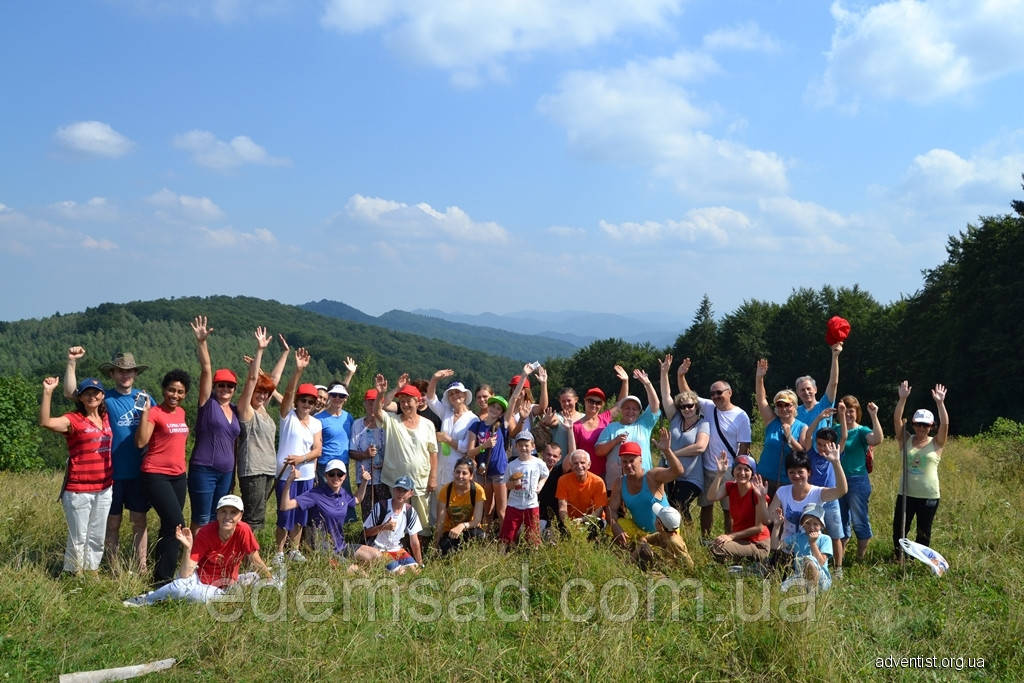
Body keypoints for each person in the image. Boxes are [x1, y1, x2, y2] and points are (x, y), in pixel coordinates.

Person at [64, 347, 152, 572]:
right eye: (120, 371)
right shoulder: (103, 398)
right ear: (112, 374)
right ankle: (113, 567)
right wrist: (72, 362)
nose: (125, 375)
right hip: (110, 473)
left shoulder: (146, 398)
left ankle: (140, 566)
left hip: (140, 472)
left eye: (130, 371)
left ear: (135, 374)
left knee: (139, 521)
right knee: (112, 523)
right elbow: (70, 392)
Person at [122, 494, 274, 606]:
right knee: (182, 587)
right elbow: (184, 574)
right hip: (201, 582)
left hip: (227, 585)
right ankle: (146, 599)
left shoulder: (244, 530)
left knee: (254, 578)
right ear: (217, 514)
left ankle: (173, 595)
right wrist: (188, 548)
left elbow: (255, 559)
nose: (228, 517)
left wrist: (271, 580)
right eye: (223, 511)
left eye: (233, 512)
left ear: (240, 516)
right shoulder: (206, 532)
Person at [40, 376, 113, 574]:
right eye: (87, 393)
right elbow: (46, 422)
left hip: (105, 487)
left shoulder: (106, 418)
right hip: (79, 489)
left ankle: (91, 571)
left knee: (97, 535)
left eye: (96, 392)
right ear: (79, 397)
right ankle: (73, 573)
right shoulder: (73, 420)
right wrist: (48, 392)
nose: (92, 396)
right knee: (78, 536)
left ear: (102, 395)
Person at [676, 359, 752, 538]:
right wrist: (681, 375)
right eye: (712, 394)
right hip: (707, 468)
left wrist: (737, 470)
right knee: (706, 506)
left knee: (729, 510)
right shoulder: (709, 407)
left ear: (729, 392)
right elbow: (688, 395)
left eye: (719, 393)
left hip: (729, 470)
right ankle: (705, 540)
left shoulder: (741, 416)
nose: (715, 396)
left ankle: (728, 542)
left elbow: (745, 446)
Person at [135, 368, 191, 585]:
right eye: (171, 390)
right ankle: (163, 579)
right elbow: (141, 442)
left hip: (179, 476)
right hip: (156, 474)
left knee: (170, 526)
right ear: (164, 390)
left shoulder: (182, 413)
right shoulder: (155, 412)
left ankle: (162, 575)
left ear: (185, 394)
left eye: (180, 391)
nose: (175, 395)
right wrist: (145, 413)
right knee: (177, 522)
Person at [464, 364, 536, 528]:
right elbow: (469, 452)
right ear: (488, 406)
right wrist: (484, 445)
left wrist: (523, 376)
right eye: (493, 406)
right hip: (484, 473)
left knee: (502, 511)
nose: (495, 409)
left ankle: (505, 543)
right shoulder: (476, 425)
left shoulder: (502, 424)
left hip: (500, 472)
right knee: (487, 511)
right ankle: (487, 541)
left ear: (502, 412)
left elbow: (513, 399)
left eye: (499, 408)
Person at [187, 315, 241, 531]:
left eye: (230, 386)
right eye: (221, 385)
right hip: (204, 470)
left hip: (226, 473)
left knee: (218, 519)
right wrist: (202, 342)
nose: (225, 389)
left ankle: (210, 562)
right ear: (214, 387)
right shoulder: (207, 404)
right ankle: (192, 561)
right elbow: (206, 369)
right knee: (201, 518)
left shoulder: (236, 410)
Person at [372, 373, 438, 540]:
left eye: (409, 400)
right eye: (402, 401)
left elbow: (433, 452)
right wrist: (381, 393)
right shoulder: (392, 421)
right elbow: (377, 411)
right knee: (396, 516)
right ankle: (398, 547)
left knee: (422, 519)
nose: (405, 404)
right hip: (396, 480)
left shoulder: (428, 424)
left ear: (418, 402)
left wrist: (433, 478)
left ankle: (420, 551)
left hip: (420, 480)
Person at [235, 329, 290, 530]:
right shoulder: (246, 410)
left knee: (257, 515)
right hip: (253, 470)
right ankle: (249, 558)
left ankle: (246, 554)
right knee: (254, 518)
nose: (262, 396)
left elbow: (273, 382)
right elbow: (251, 382)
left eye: (265, 394)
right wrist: (260, 350)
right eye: (259, 392)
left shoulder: (263, 410)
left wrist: (285, 353)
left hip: (267, 470)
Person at [274, 349, 323, 563]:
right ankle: (278, 552)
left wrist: (301, 459)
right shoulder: (287, 416)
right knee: (285, 514)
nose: (306, 404)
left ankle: (294, 550)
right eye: (303, 400)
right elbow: (287, 394)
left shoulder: (316, 423)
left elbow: (318, 449)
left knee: (300, 515)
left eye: (311, 402)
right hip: (286, 475)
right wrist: (297, 372)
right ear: (297, 401)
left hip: (306, 475)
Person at [892, 381, 948, 560]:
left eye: (926, 425)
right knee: (899, 529)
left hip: (929, 496)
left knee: (924, 532)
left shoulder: (936, 443)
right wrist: (902, 399)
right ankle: (900, 557)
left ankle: (919, 560)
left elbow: (945, 424)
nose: (922, 428)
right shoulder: (906, 439)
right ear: (913, 425)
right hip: (906, 494)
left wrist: (940, 403)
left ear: (932, 426)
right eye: (918, 424)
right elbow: (896, 420)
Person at [279, 459, 370, 562]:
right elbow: (285, 506)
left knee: (377, 555)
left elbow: (357, 500)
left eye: (339, 474)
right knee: (357, 571)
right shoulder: (315, 494)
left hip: (341, 546)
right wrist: (289, 482)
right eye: (332, 474)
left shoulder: (343, 493)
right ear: (326, 475)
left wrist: (364, 482)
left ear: (344, 477)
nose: (336, 477)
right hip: (322, 550)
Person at [608, 430, 684, 544]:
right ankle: (638, 547)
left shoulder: (652, 476)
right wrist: (615, 527)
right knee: (612, 527)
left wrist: (667, 451)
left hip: (666, 530)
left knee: (669, 549)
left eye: (632, 460)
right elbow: (611, 510)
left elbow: (678, 471)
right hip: (640, 530)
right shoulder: (619, 482)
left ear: (640, 460)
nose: (628, 465)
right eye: (624, 461)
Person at [658, 354, 708, 524]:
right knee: (668, 507)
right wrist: (664, 372)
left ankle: (687, 535)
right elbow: (666, 395)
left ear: (696, 406)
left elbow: (700, 447)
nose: (686, 409)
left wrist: (671, 453)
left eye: (690, 406)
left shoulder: (703, 424)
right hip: (670, 474)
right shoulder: (676, 419)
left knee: (678, 504)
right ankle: (677, 535)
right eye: (683, 406)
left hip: (691, 478)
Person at [766, 444, 848, 542]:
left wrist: (836, 463)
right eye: (792, 472)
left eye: (800, 472)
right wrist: (762, 498)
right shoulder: (782, 491)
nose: (796, 476)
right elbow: (768, 519)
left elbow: (842, 490)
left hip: (811, 550)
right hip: (786, 548)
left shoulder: (817, 493)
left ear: (809, 472)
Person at [837, 395, 883, 561]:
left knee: (859, 519)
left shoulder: (861, 431)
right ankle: (840, 556)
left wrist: (874, 415)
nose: (848, 415)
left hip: (857, 480)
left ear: (857, 412)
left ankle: (859, 557)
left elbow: (877, 439)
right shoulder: (836, 429)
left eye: (851, 411)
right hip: (838, 481)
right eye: (845, 411)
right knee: (840, 520)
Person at [595, 368, 661, 484]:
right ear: (621, 410)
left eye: (634, 409)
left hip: (643, 478)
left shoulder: (644, 424)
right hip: (615, 482)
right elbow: (599, 451)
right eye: (627, 408)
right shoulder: (611, 427)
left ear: (640, 412)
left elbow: (655, 405)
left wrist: (647, 384)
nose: (630, 411)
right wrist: (615, 441)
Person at [754, 359, 808, 494]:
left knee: (781, 515)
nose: (783, 408)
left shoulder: (802, 427)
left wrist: (790, 437)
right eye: (779, 405)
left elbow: (803, 452)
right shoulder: (772, 421)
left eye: (787, 405)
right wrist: (760, 377)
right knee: (762, 514)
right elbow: (761, 399)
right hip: (763, 478)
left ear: (794, 406)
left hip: (787, 482)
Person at [706, 454, 771, 563]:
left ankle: (754, 566)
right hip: (740, 540)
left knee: (718, 548)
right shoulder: (730, 487)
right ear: (733, 471)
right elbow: (711, 497)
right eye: (739, 469)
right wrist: (720, 475)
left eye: (746, 470)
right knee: (713, 545)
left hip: (757, 544)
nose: (742, 473)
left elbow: (759, 528)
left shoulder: (757, 493)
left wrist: (731, 536)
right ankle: (738, 566)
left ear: (752, 473)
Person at [426, 370, 479, 498]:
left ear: (465, 395)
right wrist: (434, 379)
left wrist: (447, 439)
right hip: (441, 466)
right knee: (438, 505)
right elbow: (431, 399)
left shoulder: (473, 419)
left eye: (458, 392)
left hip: (459, 469)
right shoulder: (446, 413)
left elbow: (468, 447)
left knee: (455, 503)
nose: (455, 395)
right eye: (451, 394)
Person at [571, 365, 629, 479]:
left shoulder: (605, 418)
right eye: (591, 401)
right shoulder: (576, 426)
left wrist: (625, 382)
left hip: (606, 472)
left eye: (598, 403)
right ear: (585, 401)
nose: (594, 405)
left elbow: (621, 404)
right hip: (585, 474)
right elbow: (573, 452)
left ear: (601, 405)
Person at [356, 476, 423, 573]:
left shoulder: (410, 511)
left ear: (411, 493)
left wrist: (420, 563)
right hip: (379, 549)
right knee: (401, 572)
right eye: (398, 489)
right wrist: (384, 527)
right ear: (393, 490)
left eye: (404, 491)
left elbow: (415, 542)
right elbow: (365, 533)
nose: (400, 494)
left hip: (397, 549)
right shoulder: (381, 506)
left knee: (415, 571)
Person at [500, 431, 549, 549]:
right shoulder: (512, 465)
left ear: (533, 446)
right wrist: (513, 484)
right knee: (508, 533)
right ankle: (503, 555)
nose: (523, 448)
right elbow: (506, 484)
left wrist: (540, 485)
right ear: (516, 447)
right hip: (514, 504)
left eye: (526, 445)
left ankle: (533, 556)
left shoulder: (538, 463)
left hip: (531, 505)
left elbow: (545, 474)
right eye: (520, 445)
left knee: (533, 534)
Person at [314, 356, 358, 486]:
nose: (337, 398)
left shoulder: (348, 418)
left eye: (342, 396)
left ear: (346, 398)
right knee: (324, 502)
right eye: (333, 395)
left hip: (343, 465)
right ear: (329, 396)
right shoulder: (318, 419)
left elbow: (342, 389)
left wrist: (350, 374)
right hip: (324, 466)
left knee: (344, 500)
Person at [772, 503, 833, 593]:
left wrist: (812, 543)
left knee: (809, 560)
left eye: (815, 524)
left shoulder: (825, 539)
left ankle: (812, 593)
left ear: (821, 525)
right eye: (807, 523)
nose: (811, 527)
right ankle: (804, 590)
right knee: (782, 589)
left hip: (821, 580)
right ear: (802, 524)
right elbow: (775, 546)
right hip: (800, 575)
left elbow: (821, 562)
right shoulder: (797, 537)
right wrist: (776, 526)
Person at [350, 388, 388, 519]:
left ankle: (384, 538)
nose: (373, 406)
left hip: (385, 478)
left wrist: (386, 463)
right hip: (364, 478)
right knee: (368, 514)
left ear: (382, 404)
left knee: (385, 512)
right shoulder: (357, 424)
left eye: (376, 402)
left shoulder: (386, 424)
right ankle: (369, 538)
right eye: (370, 402)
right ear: (365, 404)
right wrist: (365, 455)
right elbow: (351, 452)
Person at [435, 458, 486, 556]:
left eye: (464, 473)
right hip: (450, 532)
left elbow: (476, 520)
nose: (460, 476)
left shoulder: (478, 490)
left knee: (480, 536)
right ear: (453, 473)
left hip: (469, 529)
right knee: (445, 550)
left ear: (471, 476)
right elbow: (440, 522)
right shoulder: (445, 490)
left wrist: (461, 526)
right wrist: (435, 544)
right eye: (457, 472)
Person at [556, 449, 610, 539]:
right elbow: (562, 507)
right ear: (571, 466)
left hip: (591, 520)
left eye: (582, 463)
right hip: (570, 521)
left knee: (597, 526)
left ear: (589, 465)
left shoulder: (598, 482)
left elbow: (599, 511)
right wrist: (568, 523)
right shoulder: (563, 480)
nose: (579, 466)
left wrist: (581, 520)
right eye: (575, 463)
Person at [795, 343, 843, 436]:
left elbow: (833, 383)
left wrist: (835, 357)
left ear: (815, 389)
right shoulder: (795, 412)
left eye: (809, 388)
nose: (806, 392)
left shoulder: (824, 405)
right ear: (797, 393)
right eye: (802, 390)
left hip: (821, 450)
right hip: (801, 450)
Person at [634, 505, 695, 571]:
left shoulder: (674, 542)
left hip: (671, 572)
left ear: (659, 524)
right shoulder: (662, 534)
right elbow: (645, 539)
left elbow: (690, 565)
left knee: (643, 552)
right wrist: (643, 544)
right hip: (665, 566)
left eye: (656, 518)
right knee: (638, 546)